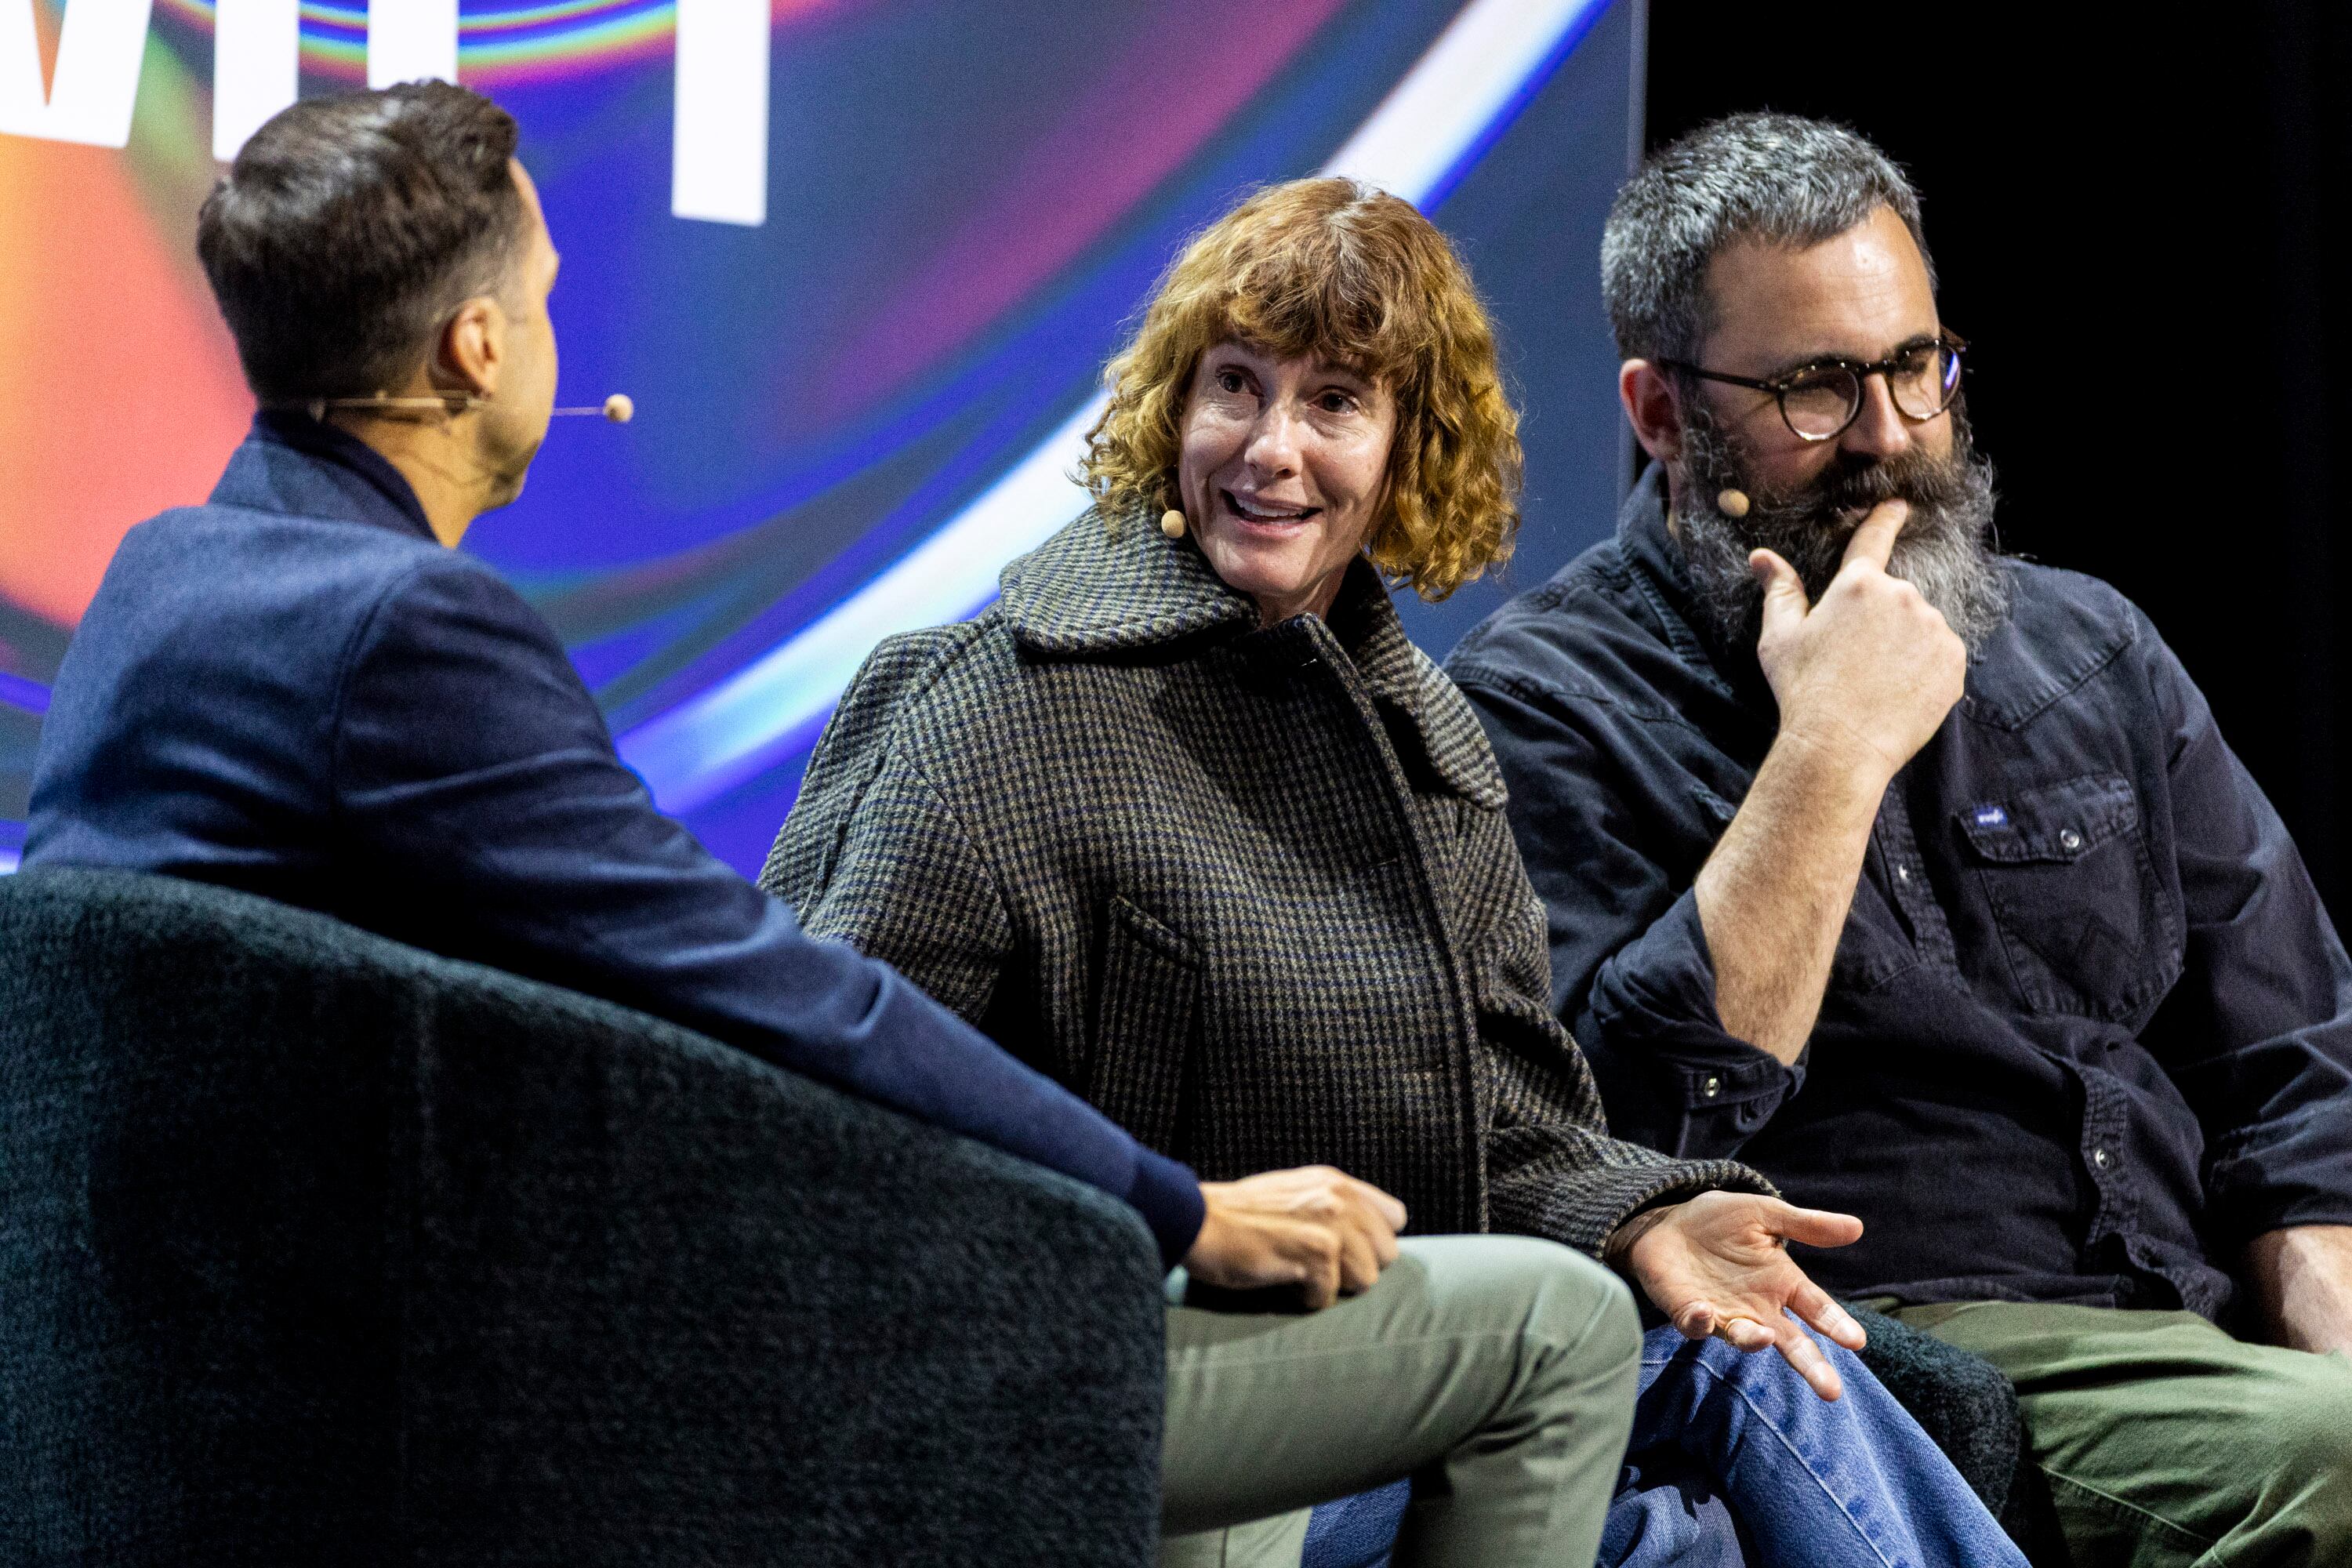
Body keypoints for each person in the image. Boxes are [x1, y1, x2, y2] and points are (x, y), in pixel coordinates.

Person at [26, 84, 1658, 1568]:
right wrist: (1180, 1209)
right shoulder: (415, 639)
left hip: (159, 1391)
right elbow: (770, 994)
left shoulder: (163, 581)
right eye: (543, 300)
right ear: (472, 351)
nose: (1277, 446)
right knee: (1552, 1339)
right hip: (428, 1400)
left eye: (1338, 403)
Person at [767, 176, 2026, 1568]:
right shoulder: (1000, 701)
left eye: (1334, 403)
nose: (1271, 451)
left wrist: (1652, 1212)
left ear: (1409, 449)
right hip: (1074, 1385)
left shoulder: (1427, 750)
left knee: (1727, 1427)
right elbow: (821, 1093)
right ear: (1171, 409)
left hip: (1366, 1379)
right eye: (1235, 387)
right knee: (1678, 1469)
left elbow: (1506, 1130)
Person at [1446, 111, 2352, 1566]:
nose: (1886, 438)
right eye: (1813, 387)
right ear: (1662, 413)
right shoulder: (1542, 703)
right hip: (1878, 1347)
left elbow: (2292, 1073)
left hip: (2187, 1320)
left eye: (1915, 367)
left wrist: (2328, 1353)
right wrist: (1830, 756)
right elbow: (1615, 1140)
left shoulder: (2088, 649)